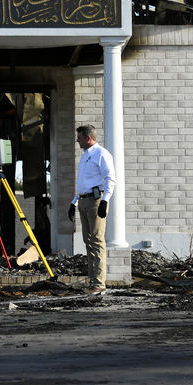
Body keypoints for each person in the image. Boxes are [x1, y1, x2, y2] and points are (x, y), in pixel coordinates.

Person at [68, 124, 116, 295]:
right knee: (88, 242)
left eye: (79, 137)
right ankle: (92, 281)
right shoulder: (85, 156)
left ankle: (99, 283)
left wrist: (105, 201)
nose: (77, 141)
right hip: (84, 201)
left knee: (96, 241)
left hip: (96, 201)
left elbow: (110, 178)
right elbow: (83, 184)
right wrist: (74, 202)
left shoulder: (101, 154)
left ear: (88, 138)